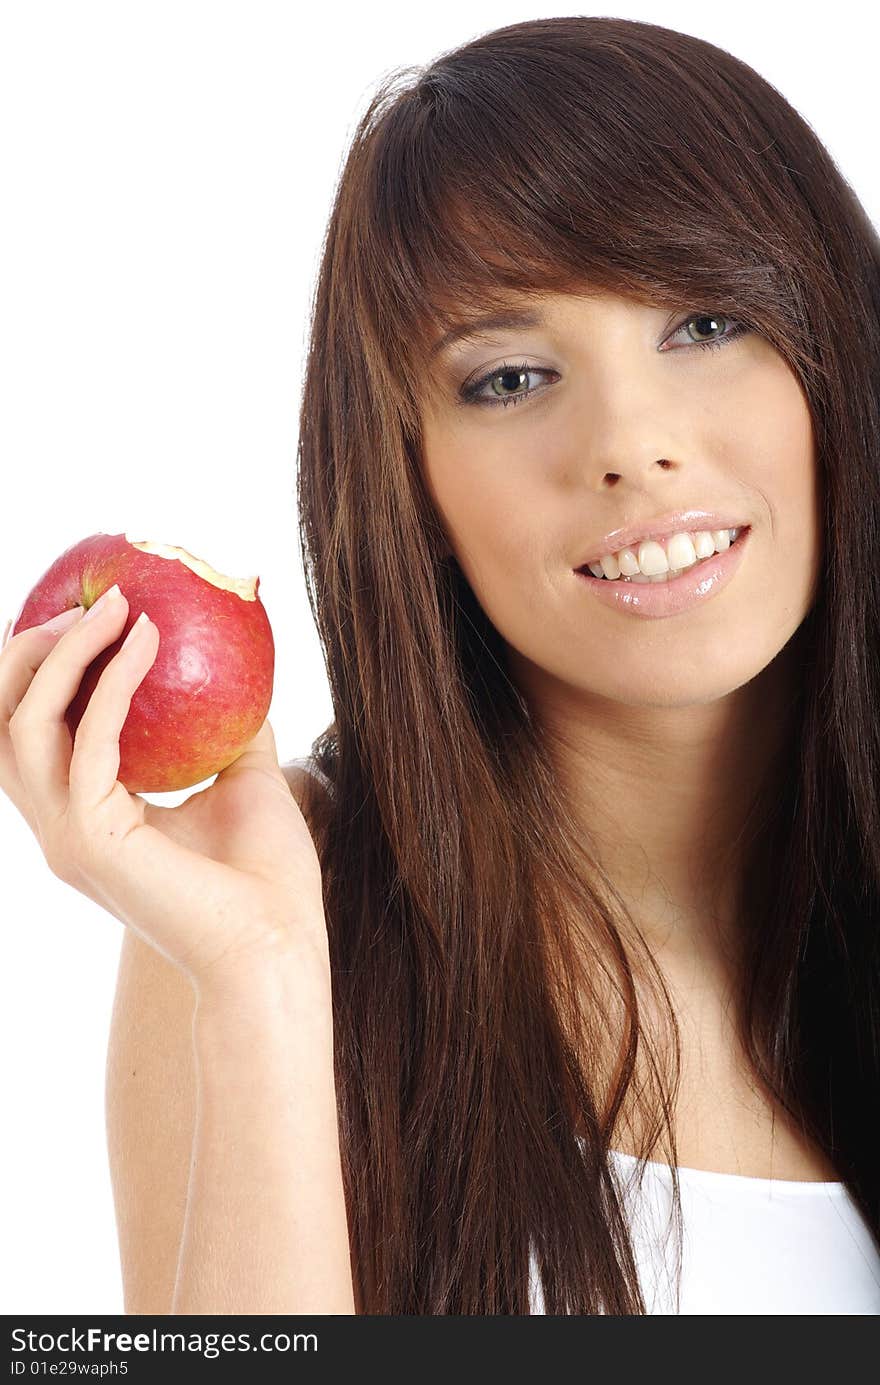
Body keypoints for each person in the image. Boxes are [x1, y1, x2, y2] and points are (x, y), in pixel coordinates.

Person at [2, 15, 879, 1315]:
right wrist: (263, 986)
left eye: (704, 320)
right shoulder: (284, 899)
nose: (632, 444)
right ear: (407, 483)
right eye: (512, 376)